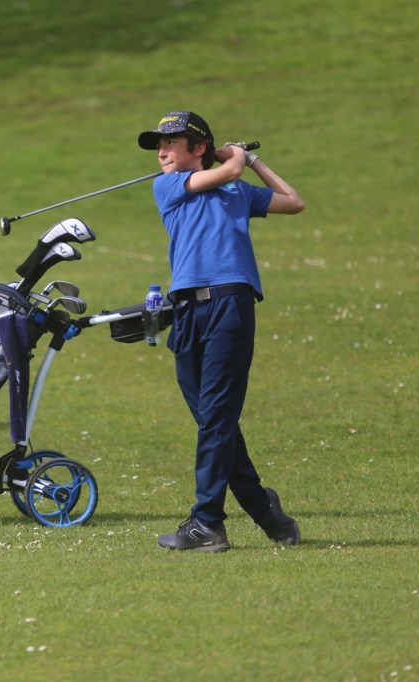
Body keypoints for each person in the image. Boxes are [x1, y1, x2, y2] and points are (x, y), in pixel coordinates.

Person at [137, 111, 305, 552]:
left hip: (230, 305)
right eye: (159, 145)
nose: (161, 152)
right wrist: (236, 157)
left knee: (215, 419)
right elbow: (227, 170)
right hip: (187, 311)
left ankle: (207, 522)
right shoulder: (168, 185)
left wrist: (253, 162)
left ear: (198, 148)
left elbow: (293, 201)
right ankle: (266, 511)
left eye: (170, 143)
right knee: (215, 420)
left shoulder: (236, 190)